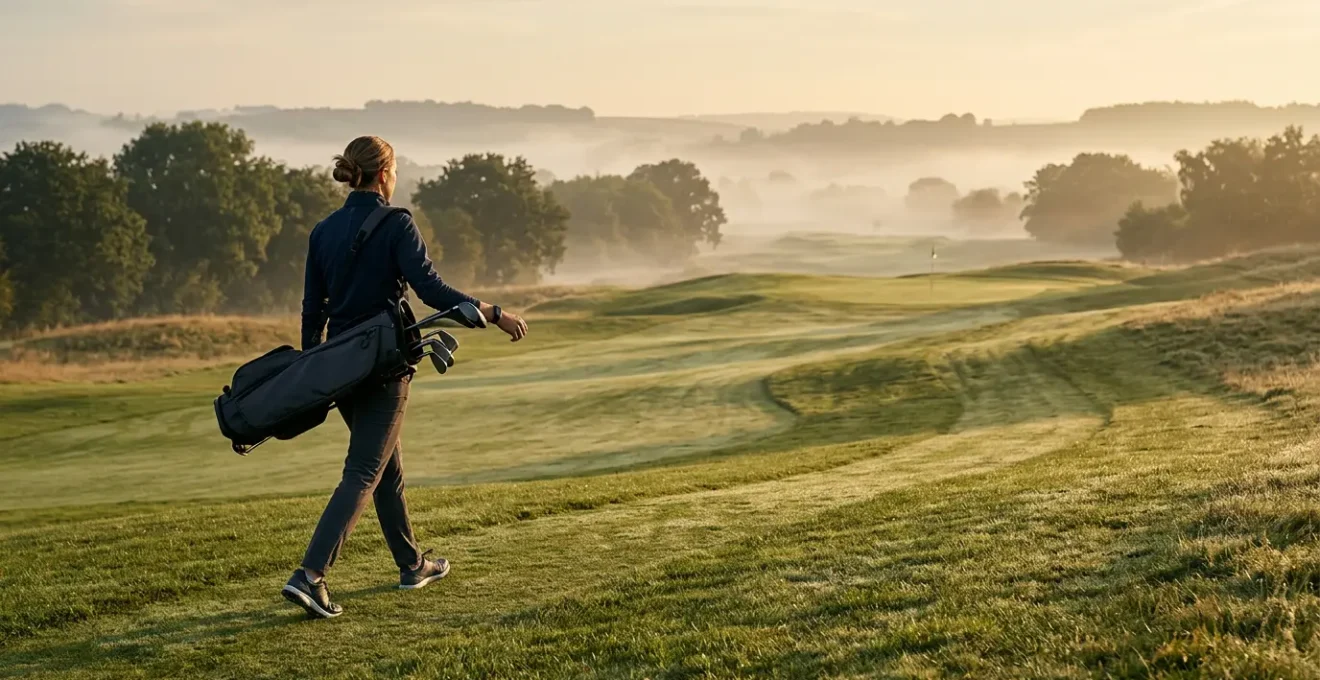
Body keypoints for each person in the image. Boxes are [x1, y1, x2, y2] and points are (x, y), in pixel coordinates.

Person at [281, 135, 528, 619]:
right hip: (385, 367)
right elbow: (432, 289)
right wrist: (493, 312)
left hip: (340, 369)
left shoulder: (323, 230)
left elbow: (313, 312)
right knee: (364, 472)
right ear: (385, 174)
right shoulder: (397, 223)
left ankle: (412, 565)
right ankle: (310, 576)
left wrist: (315, 370)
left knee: (385, 469)